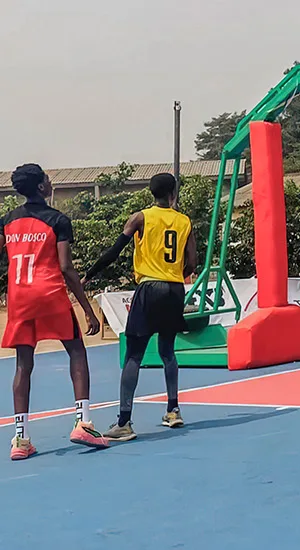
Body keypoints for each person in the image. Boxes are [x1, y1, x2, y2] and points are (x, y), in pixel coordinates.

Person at [6, 164, 108, 459]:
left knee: (23, 365)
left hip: (20, 298)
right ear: (41, 187)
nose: (51, 182)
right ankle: (83, 422)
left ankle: (20, 440)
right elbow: (65, 267)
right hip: (49, 294)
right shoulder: (58, 220)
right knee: (77, 351)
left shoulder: (7, 221)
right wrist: (88, 309)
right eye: (47, 179)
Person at [84, 172, 196, 441]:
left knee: (134, 355)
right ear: (174, 194)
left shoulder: (140, 218)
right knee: (168, 351)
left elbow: (115, 250)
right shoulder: (184, 222)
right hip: (174, 288)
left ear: (151, 193)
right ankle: (173, 410)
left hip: (149, 288)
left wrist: (89, 273)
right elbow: (191, 262)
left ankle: (124, 421)